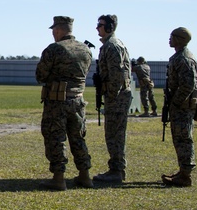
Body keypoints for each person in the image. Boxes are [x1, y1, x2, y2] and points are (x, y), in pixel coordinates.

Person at [36, 16, 94, 190]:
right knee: (78, 137)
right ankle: (85, 175)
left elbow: (40, 75)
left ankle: (59, 177)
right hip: (78, 99)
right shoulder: (85, 49)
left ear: (58, 30)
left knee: (56, 138)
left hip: (57, 101)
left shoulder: (54, 49)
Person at [93, 14, 132, 184]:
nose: (97, 28)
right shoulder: (112, 45)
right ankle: (116, 168)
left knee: (114, 134)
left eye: (100, 25)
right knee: (115, 134)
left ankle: (116, 170)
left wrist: (108, 92)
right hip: (117, 96)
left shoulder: (112, 46)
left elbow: (117, 76)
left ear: (109, 27)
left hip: (116, 97)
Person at [162, 27, 197, 187]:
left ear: (179, 39)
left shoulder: (183, 58)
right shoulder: (179, 56)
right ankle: (183, 171)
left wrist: (175, 103)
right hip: (179, 104)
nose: (169, 39)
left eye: (172, 37)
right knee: (179, 138)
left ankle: (185, 175)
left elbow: (188, 84)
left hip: (182, 106)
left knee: (183, 138)